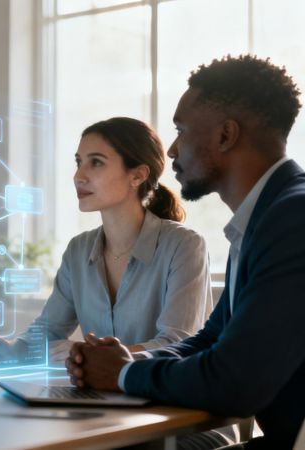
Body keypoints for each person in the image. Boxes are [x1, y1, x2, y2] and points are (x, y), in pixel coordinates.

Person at [66, 55, 305, 449]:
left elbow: (234, 382)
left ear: (226, 136)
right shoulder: (263, 218)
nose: (173, 149)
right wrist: (129, 361)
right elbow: (212, 340)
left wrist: (122, 375)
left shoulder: (292, 218)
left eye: (181, 129)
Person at [0, 117, 212, 365]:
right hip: (96, 394)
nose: (79, 176)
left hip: (162, 397)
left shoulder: (184, 245)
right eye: (79, 162)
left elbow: (177, 344)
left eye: (96, 163)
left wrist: (89, 354)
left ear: (138, 175)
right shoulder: (78, 250)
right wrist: (8, 351)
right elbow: (47, 332)